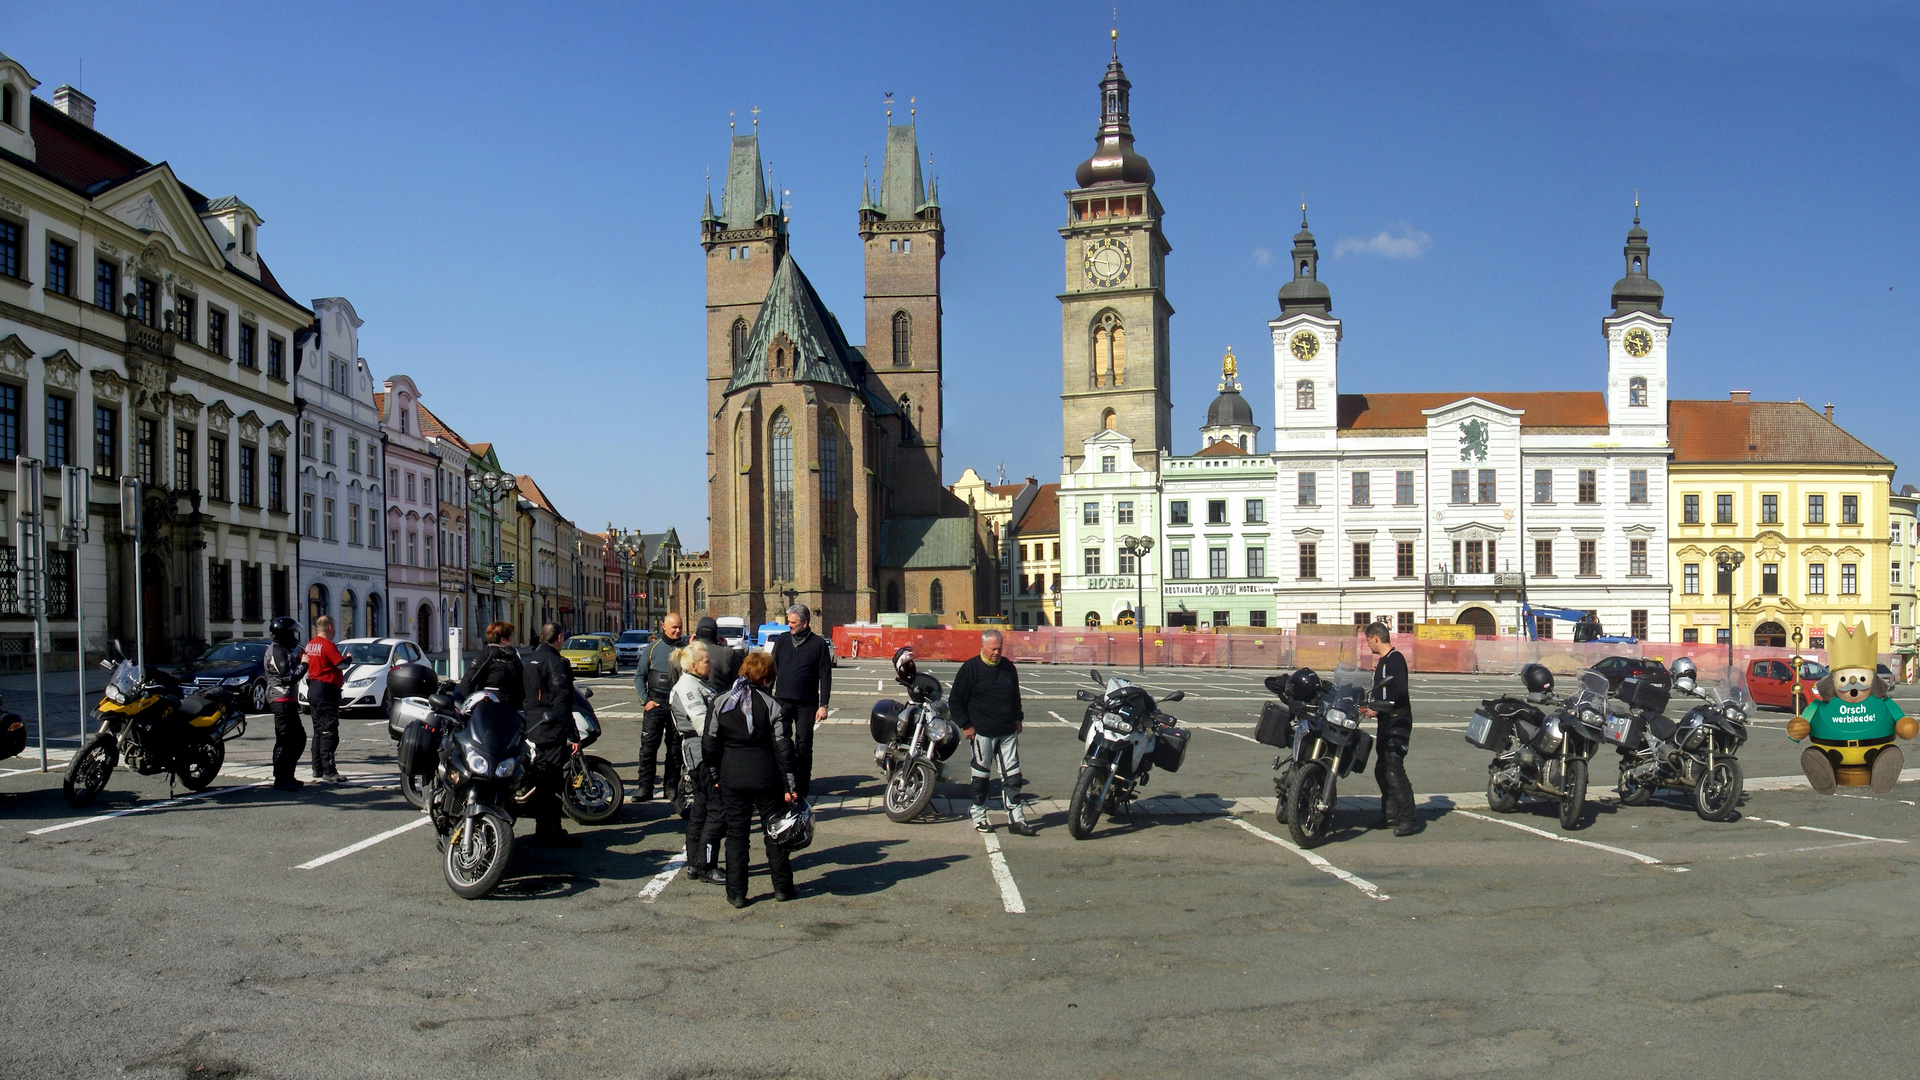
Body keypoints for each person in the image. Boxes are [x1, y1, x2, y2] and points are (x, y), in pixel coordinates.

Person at [703, 651, 798, 907]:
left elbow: (709, 743)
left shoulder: (721, 701)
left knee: (736, 836)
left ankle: (736, 893)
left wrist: (714, 774)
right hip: (768, 777)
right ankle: (782, 888)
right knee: (775, 833)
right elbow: (783, 748)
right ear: (767, 677)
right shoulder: (774, 705)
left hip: (732, 775)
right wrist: (791, 785)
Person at [949, 629, 1035, 835]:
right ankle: (979, 814)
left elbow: (1015, 696)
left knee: (1013, 776)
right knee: (980, 776)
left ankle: (1016, 819)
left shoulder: (1008, 668)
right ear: (983, 647)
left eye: (999, 648)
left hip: (1007, 732)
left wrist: (1018, 718)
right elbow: (955, 700)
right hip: (982, 733)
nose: (997, 652)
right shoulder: (970, 668)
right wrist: (966, 725)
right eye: (993, 649)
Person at [669, 639, 726, 885]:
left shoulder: (698, 682)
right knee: (717, 809)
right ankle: (706, 865)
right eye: (706, 661)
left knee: (701, 809)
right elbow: (703, 724)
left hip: (704, 749)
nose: (711, 664)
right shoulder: (688, 686)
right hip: (701, 751)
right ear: (693, 665)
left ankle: (695, 862)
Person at [522, 621, 581, 847]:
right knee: (552, 780)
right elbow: (562, 700)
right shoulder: (557, 662)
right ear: (558, 638)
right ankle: (550, 831)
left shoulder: (529, 659)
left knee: (541, 776)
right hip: (551, 725)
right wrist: (573, 734)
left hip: (533, 723)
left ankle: (544, 827)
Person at [1359, 621, 1419, 836]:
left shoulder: (1395, 659)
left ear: (1376, 637)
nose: (1367, 645)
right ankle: (1390, 814)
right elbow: (1381, 692)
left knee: (1393, 767)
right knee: (1381, 768)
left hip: (1398, 722)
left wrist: (1378, 709)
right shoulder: (1384, 662)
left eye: (1367, 640)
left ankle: (1409, 818)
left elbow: (1398, 691)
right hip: (1386, 722)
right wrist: (1369, 706)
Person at [769, 604, 832, 798]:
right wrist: (765, 695)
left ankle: (802, 787)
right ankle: (785, 784)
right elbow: (772, 668)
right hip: (782, 701)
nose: (789, 625)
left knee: (803, 745)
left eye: (793, 622)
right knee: (782, 743)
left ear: (805, 623)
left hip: (807, 703)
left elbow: (825, 675)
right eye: (788, 621)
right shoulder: (782, 640)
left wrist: (823, 705)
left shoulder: (818, 644)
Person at [635, 613, 687, 802]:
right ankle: (644, 788)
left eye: (680, 627)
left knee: (674, 749)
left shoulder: (686, 649)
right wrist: (646, 701)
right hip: (655, 704)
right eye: (674, 627)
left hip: (677, 707)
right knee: (648, 748)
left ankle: (670, 787)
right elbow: (639, 676)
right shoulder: (652, 648)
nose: (678, 630)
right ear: (663, 626)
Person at [302, 615, 348, 783]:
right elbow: (341, 664)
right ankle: (329, 770)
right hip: (326, 689)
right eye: (334, 627)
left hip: (314, 688)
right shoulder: (328, 646)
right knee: (329, 730)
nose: (335, 630)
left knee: (318, 730)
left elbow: (306, 668)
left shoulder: (310, 644)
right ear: (329, 628)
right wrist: (348, 657)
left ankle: (317, 767)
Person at [265, 617, 308, 792]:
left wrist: (299, 661)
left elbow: (290, 669)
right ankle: (281, 778)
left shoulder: (283, 650)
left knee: (298, 739)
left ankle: (288, 774)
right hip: (280, 699)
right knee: (286, 739)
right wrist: (305, 664)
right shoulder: (276, 651)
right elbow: (288, 677)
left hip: (287, 700)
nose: (294, 637)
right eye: (292, 632)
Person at [461, 621, 525, 708]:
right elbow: (467, 682)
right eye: (511, 637)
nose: (513, 639)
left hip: (514, 709)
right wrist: (473, 707)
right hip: (493, 708)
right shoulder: (486, 656)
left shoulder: (513, 656)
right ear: (503, 640)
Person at [692, 616, 743, 690]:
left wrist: (690, 647)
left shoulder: (686, 654)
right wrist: (726, 648)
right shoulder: (727, 653)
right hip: (720, 699)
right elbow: (740, 679)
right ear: (716, 636)